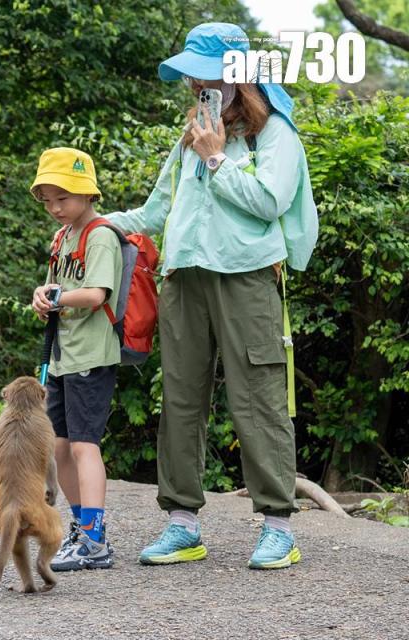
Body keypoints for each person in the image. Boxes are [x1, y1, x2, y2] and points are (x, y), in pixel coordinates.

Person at [104, 23, 318, 569]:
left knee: (259, 398)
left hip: (246, 277)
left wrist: (219, 159)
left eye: (207, 71)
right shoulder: (191, 138)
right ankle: (182, 525)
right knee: (180, 400)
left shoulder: (276, 136)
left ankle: (277, 528)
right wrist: (92, 223)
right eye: (193, 73)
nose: (197, 81)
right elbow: (154, 213)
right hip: (184, 278)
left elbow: (270, 202)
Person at [30, 147, 122, 571]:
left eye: (62, 198)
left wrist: (57, 297)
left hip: (91, 356)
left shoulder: (100, 235)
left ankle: (95, 539)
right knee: (61, 447)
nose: (54, 208)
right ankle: (81, 528)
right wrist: (42, 296)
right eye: (47, 200)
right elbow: (55, 287)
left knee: (85, 445)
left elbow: (96, 294)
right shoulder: (62, 237)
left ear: (86, 193)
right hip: (63, 357)